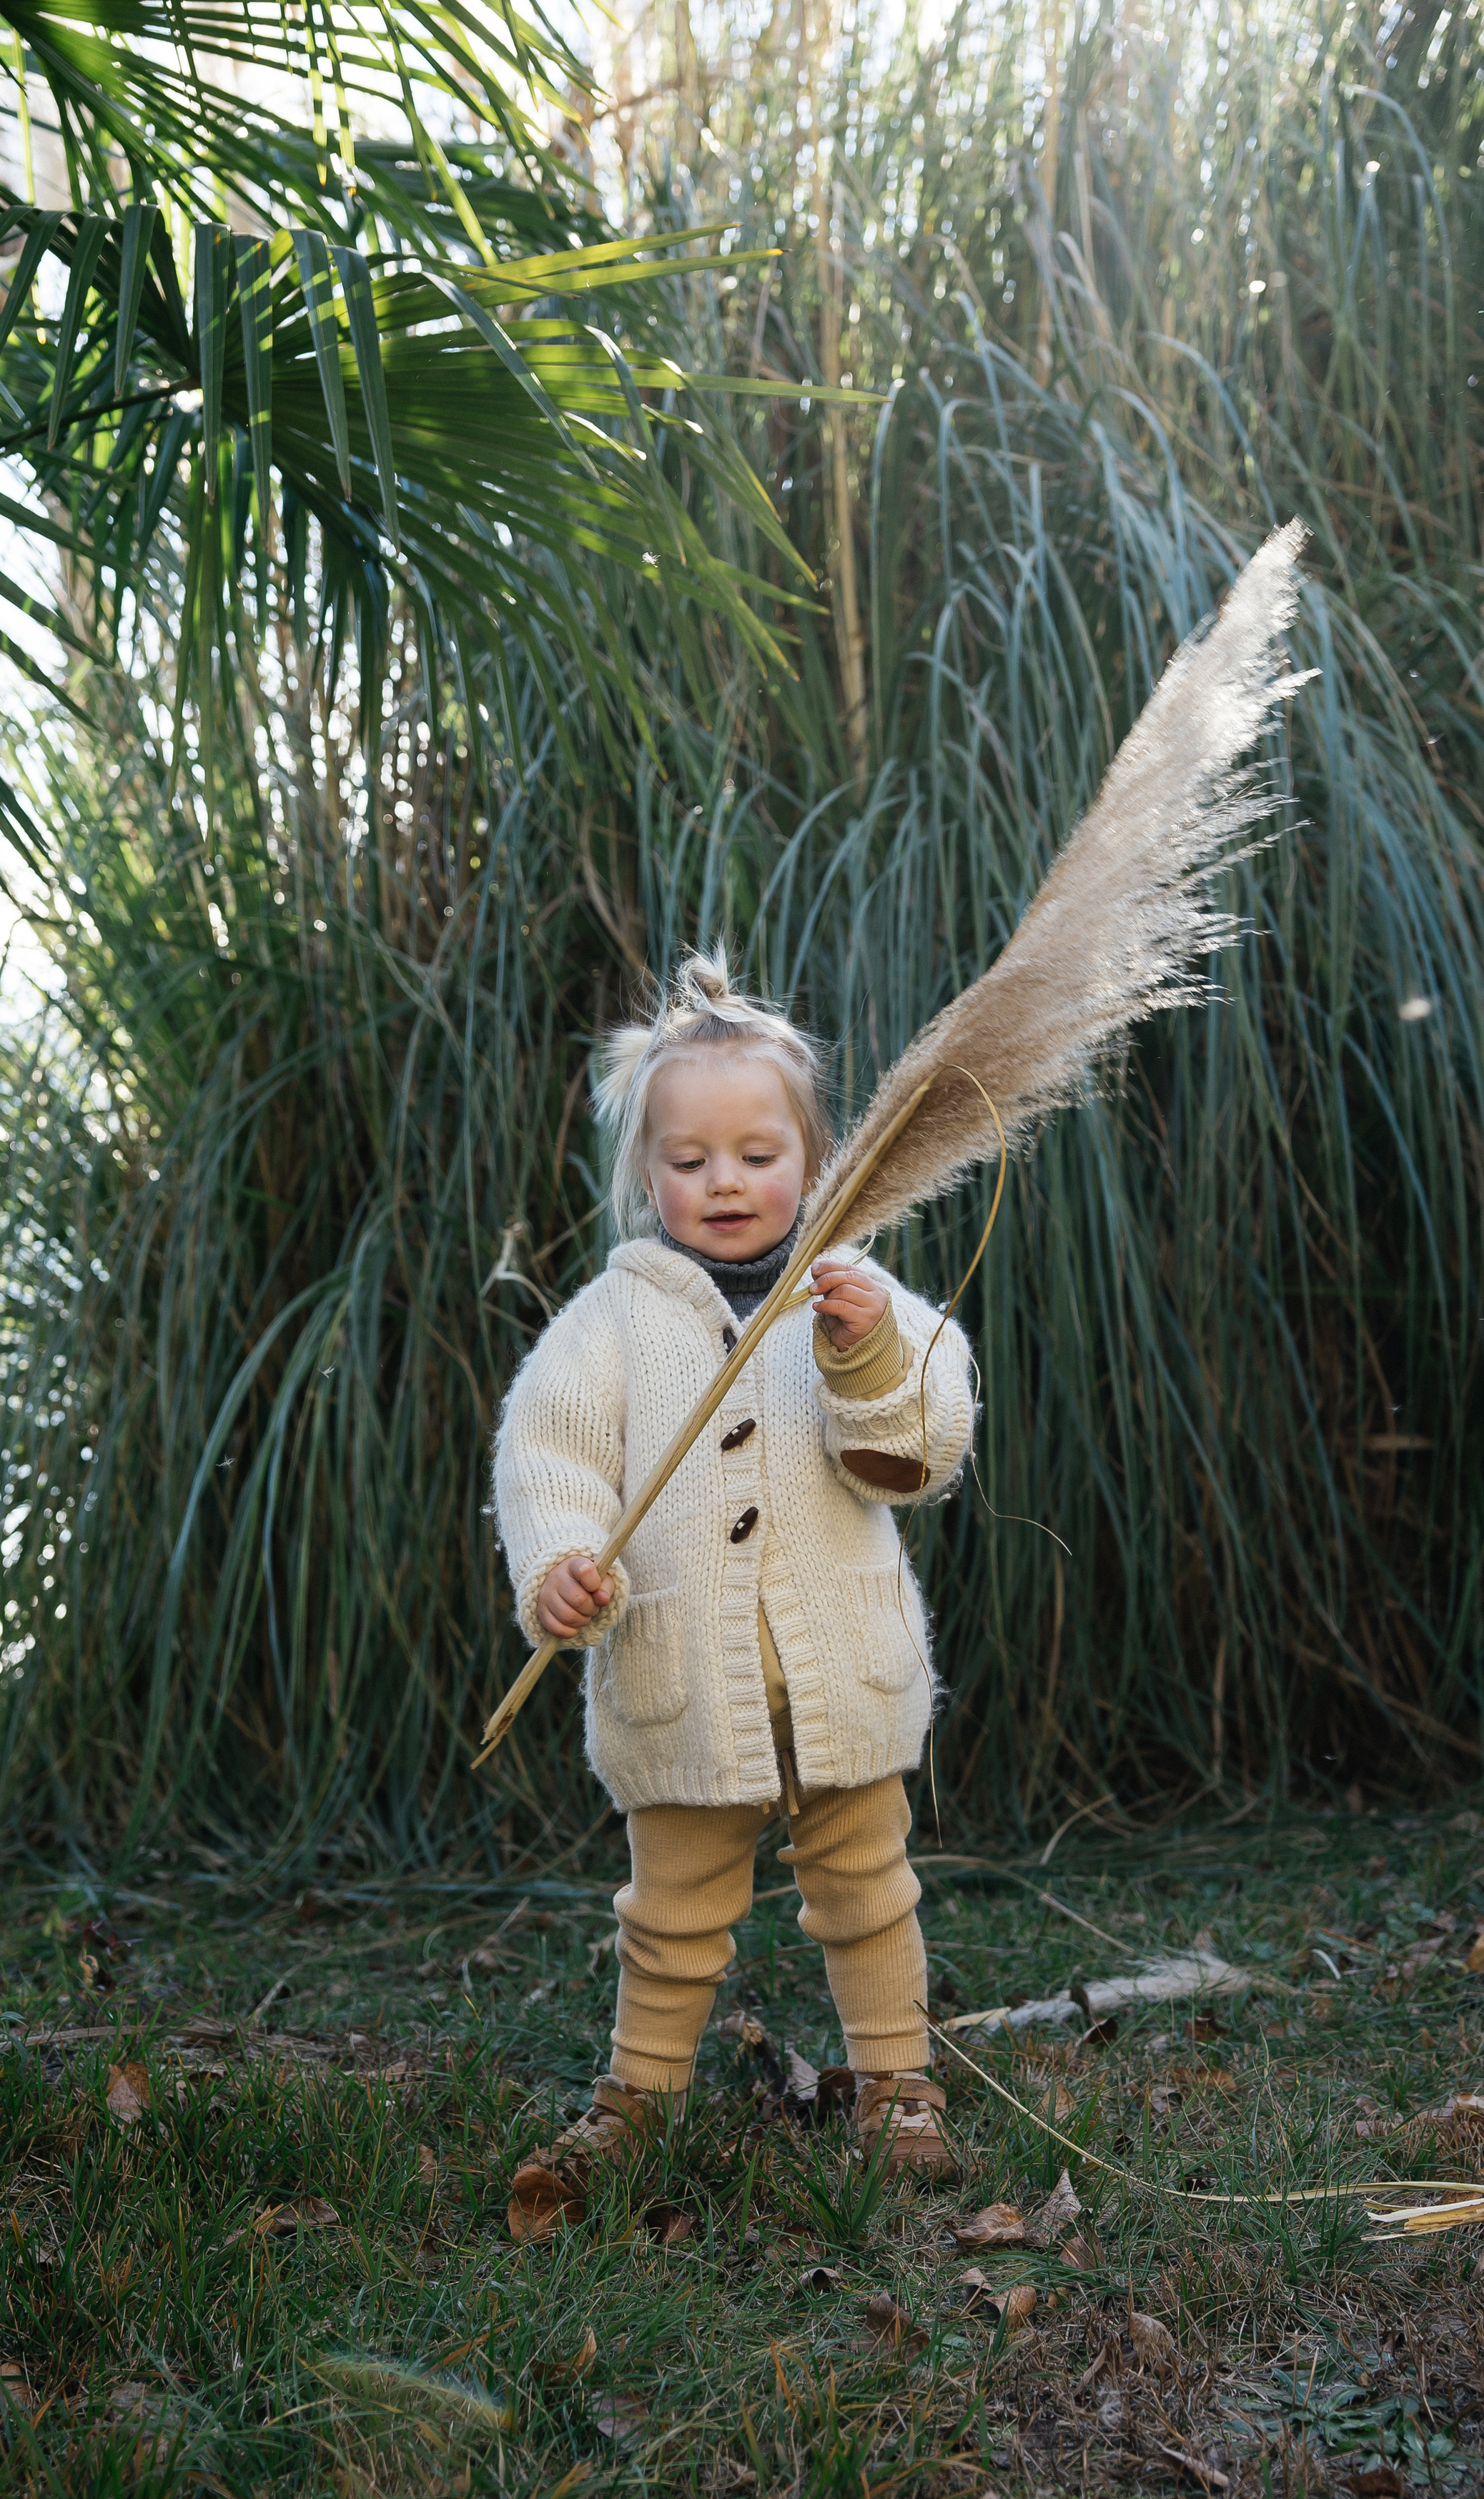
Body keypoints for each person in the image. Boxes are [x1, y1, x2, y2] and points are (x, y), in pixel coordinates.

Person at [493, 946, 976, 2239]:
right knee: (671, 1909)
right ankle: (636, 2098)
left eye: (758, 1156)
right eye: (690, 1160)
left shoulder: (855, 1296)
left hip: (845, 1679)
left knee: (868, 1884)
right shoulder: (613, 1318)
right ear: (647, 1172)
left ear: (815, 1160)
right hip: (679, 1679)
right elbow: (546, 1453)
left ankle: (899, 2083)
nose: (724, 1184)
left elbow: (921, 1448)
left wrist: (867, 1351)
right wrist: (560, 1564)